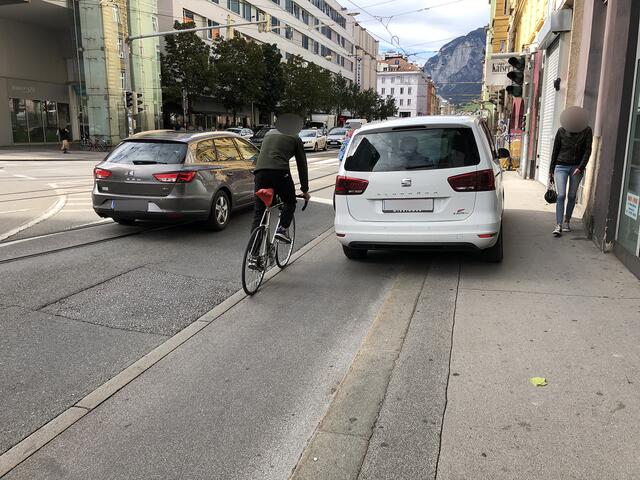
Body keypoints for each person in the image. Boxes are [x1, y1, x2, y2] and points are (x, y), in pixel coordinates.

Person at [251, 113, 310, 245]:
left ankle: (253, 256)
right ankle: (282, 230)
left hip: (260, 173)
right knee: (290, 202)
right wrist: (305, 190)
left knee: (259, 214)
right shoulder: (295, 138)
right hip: (280, 172)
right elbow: (302, 165)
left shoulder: (268, 134)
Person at [549, 106, 593, 237]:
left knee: (572, 195)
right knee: (561, 195)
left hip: (576, 167)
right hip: (561, 166)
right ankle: (559, 225)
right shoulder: (561, 131)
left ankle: (567, 221)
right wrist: (551, 170)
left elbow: (588, 150)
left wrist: (581, 166)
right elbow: (555, 150)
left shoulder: (587, 131)